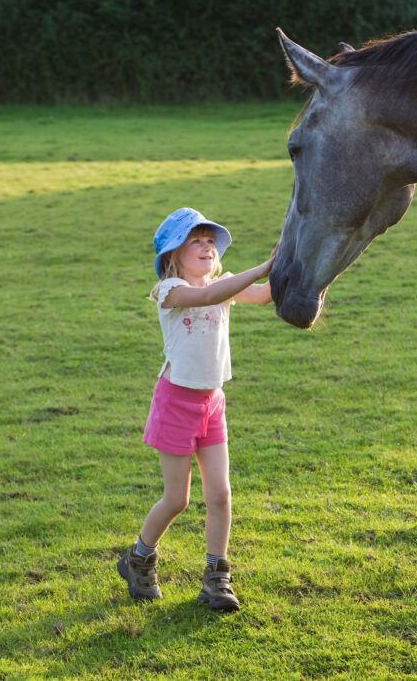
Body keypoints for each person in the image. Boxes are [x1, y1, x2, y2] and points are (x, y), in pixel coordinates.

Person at [118, 207, 276, 612]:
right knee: (177, 499)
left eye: (210, 241)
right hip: (175, 403)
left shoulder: (224, 284)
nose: (207, 247)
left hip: (212, 403)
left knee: (220, 494)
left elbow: (264, 294)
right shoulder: (170, 291)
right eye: (196, 241)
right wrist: (261, 268)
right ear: (174, 253)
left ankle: (216, 577)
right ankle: (139, 557)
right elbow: (206, 297)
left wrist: (300, 263)